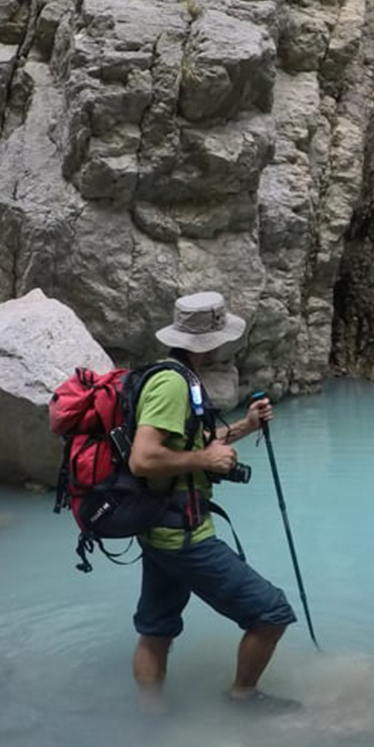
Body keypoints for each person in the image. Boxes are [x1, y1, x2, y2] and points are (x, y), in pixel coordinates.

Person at [127, 291, 298, 710]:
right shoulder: (172, 384)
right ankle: (242, 696)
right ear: (213, 340)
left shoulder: (176, 375)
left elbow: (192, 444)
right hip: (184, 536)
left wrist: (245, 425)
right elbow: (143, 458)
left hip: (159, 529)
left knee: (156, 629)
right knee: (271, 612)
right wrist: (206, 458)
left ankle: (149, 717)